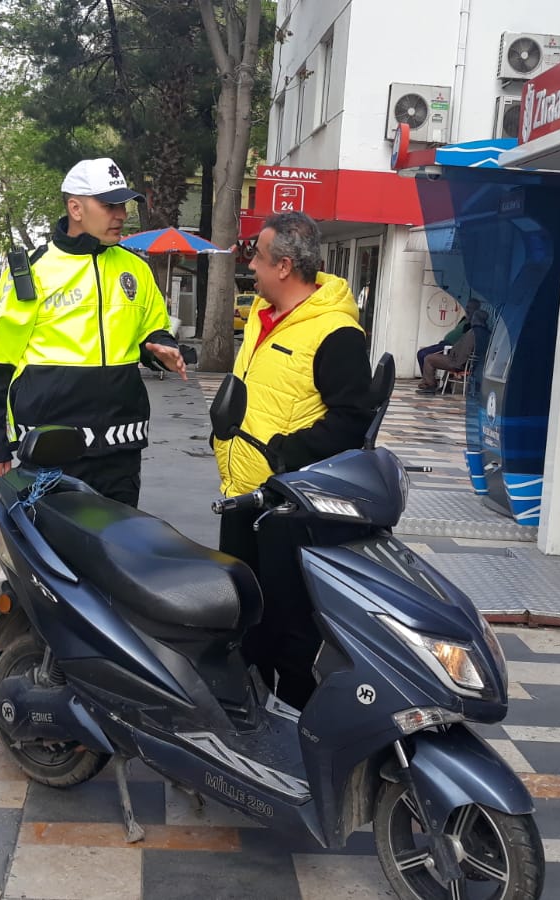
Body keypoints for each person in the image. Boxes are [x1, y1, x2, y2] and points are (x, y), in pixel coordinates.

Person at [215, 211, 374, 708]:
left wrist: (287, 455)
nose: (251, 267)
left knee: (290, 632)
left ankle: (297, 727)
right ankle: (249, 722)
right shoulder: (262, 317)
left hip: (289, 509)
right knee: (244, 623)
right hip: (242, 498)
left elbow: (352, 420)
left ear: (284, 266)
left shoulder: (337, 333)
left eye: (258, 258)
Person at [0, 157, 186, 506]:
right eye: (110, 206)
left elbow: (154, 330)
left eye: (124, 205)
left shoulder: (137, 268)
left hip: (121, 450)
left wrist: (162, 349)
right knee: (53, 543)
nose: (121, 215)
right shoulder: (32, 271)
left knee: (118, 541)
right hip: (50, 451)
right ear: (75, 208)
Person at [416, 297, 484, 394]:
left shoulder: (472, 328)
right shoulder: (465, 320)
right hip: (446, 345)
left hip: (451, 348)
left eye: (470, 308)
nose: (467, 309)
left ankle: (429, 384)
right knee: (421, 353)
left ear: (476, 310)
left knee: (425, 355)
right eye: (467, 307)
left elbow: (465, 347)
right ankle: (433, 382)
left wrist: (453, 352)